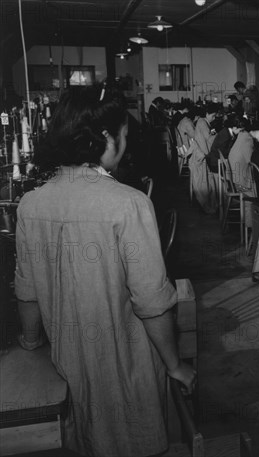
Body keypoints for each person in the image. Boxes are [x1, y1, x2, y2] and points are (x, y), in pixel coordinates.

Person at [15, 84, 195, 457]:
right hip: (125, 369)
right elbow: (152, 303)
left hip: (67, 366)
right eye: (124, 136)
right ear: (104, 139)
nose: (125, 145)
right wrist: (175, 365)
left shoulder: (31, 204)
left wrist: (31, 343)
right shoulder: (128, 205)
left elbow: (28, 293)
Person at [228, 120, 259, 197]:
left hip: (233, 180)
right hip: (240, 185)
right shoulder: (248, 140)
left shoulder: (243, 135)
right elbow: (253, 162)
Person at [190, 102, 219, 214]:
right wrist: (217, 135)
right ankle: (211, 205)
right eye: (213, 116)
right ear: (207, 113)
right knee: (209, 181)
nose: (214, 118)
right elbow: (210, 141)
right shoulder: (202, 123)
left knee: (211, 180)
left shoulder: (203, 122)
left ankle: (214, 203)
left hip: (201, 154)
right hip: (200, 157)